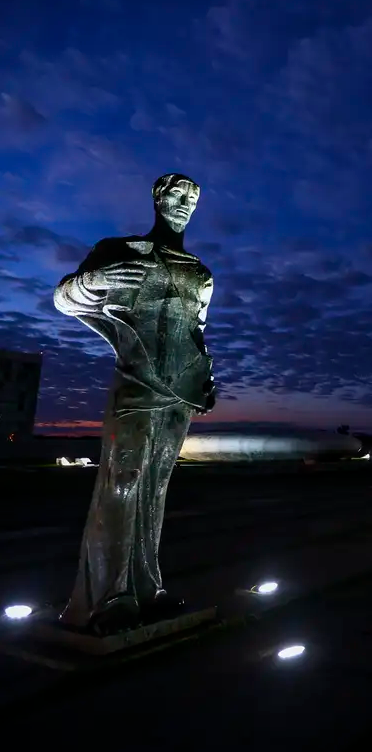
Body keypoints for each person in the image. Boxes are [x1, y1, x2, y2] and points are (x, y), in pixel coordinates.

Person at [54, 173, 216, 634]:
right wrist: (94, 280)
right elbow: (63, 297)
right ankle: (108, 598)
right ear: (157, 197)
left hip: (181, 392)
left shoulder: (200, 274)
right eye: (177, 193)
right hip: (136, 383)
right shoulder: (120, 250)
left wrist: (205, 379)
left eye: (192, 198)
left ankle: (147, 588)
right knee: (121, 483)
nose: (184, 203)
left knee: (155, 489)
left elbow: (197, 331)